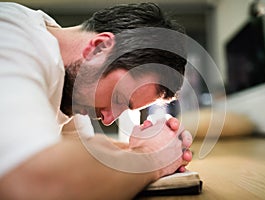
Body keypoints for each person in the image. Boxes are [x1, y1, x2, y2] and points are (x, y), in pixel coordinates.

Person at [0, 2, 193, 199]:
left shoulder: (71, 86)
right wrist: (153, 156)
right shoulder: (12, 39)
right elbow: (37, 182)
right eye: (118, 98)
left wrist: (158, 146)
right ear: (99, 48)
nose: (108, 119)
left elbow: (84, 158)